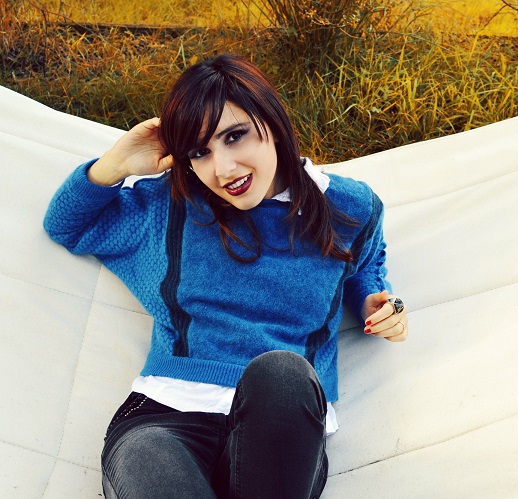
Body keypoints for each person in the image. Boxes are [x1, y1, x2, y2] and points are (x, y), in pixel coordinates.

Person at [43, 53, 408, 499]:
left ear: (272, 122)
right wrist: (116, 163)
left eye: (235, 137)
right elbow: (67, 223)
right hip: (166, 416)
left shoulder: (350, 207)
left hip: (279, 423)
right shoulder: (173, 207)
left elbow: (365, 266)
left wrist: (376, 303)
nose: (223, 169)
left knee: (282, 371)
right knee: (143, 451)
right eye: (200, 152)